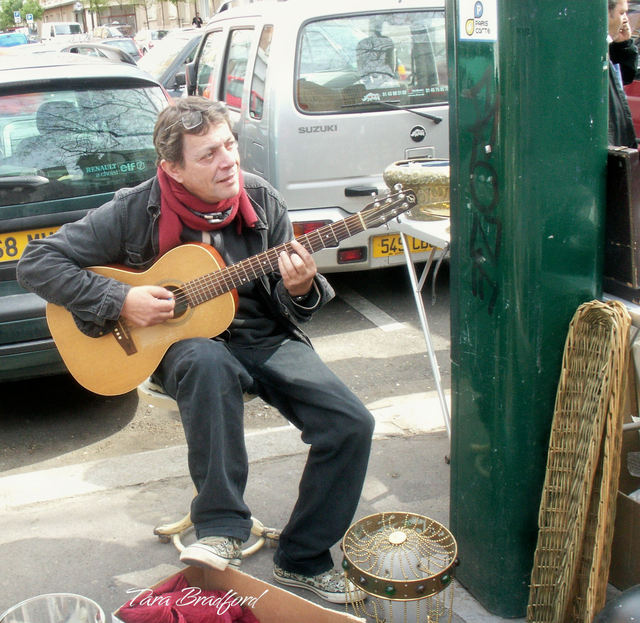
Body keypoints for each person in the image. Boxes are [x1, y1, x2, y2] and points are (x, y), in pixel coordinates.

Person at [16, 96, 374, 605]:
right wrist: (121, 299)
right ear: (173, 169)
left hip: (261, 337)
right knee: (207, 360)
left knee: (351, 423)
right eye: (208, 154)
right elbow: (38, 262)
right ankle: (222, 529)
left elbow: (290, 305)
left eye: (229, 145)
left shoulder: (262, 199)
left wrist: (299, 290)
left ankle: (303, 559)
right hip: (182, 346)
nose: (228, 160)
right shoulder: (134, 209)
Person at [608, 0, 638, 148]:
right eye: (622, 13)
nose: (625, 18)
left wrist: (623, 45)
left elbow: (624, 77)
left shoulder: (608, 47)